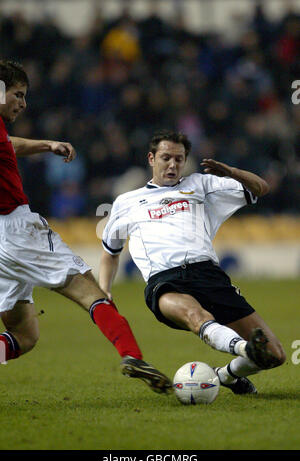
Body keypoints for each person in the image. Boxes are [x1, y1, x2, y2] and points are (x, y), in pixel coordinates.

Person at [0, 59, 172, 394]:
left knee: (24, 336)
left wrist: (46, 145)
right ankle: (132, 355)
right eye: (18, 94)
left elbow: (10, 144)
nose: (23, 102)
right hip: (17, 230)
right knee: (90, 291)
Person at [100, 129, 286, 395]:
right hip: (165, 280)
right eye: (166, 158)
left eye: (179, 159)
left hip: (208, 274)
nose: (173, 165)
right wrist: (104, 290)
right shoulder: (126, 202)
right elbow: (110, 252)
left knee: (274, 355)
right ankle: (245, 348)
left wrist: (230, 171)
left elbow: (261, 188)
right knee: (197, 316)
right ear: (151, 158)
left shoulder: (200, 184)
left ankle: (226, 376)